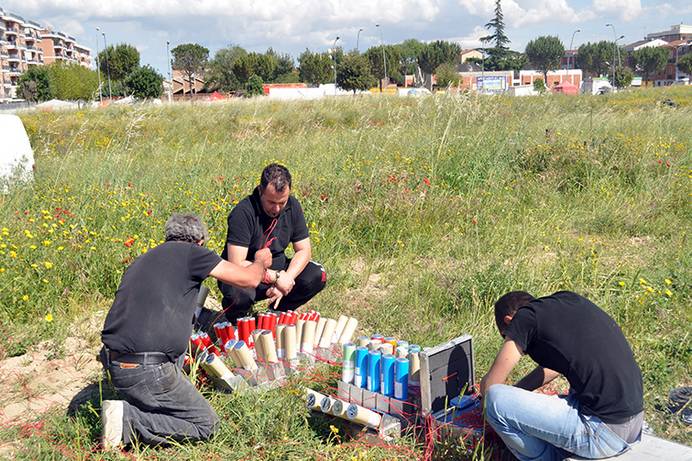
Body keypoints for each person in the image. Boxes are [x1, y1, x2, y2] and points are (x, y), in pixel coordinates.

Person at [99, 213, 272, 449]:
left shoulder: (143, 259)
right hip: (148, 370)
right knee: (207, 425)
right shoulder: (193, 253)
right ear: (200, 242)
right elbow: (248, 279)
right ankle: (129, 420)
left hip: (114, 362)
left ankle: (141, 403)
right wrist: (260, 262)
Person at [480, 290, 644, 461]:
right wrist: (518, 392)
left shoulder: (524, 318)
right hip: (632, 425)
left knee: (495, 400)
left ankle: (547, 458)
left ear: (509, 321)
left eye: (505, 336)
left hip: (601, 432)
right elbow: (553, 369)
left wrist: (486, 409)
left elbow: (491, 386)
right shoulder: (566, 300)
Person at [217, 164, 326, 324]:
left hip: (279, 271)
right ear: (260, 190)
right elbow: (236, 264)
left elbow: (304, 250)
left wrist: (287, 278)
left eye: (282, 202)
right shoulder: (243, 212)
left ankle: (274, 314)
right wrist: (276, 277)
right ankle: (238, 322)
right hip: (246, 275)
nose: (276, 208)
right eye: (271, 202)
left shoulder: (293, 206)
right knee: (238, 295)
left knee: (317, 275)